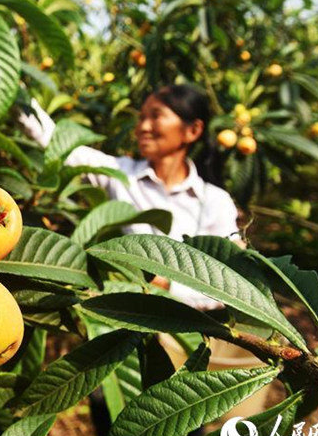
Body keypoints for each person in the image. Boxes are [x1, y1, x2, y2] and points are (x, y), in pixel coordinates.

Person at [19, 83, 243, 310]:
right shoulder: (121, 175)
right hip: (126, 315)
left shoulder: (216, 202)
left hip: (188, 326)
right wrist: (16, 89)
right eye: (141, 117)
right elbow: (55, 142)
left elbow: (232, 287)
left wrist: (167, 286)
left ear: (192, 130)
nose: (143, 127)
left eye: (156, 116)